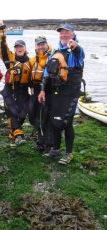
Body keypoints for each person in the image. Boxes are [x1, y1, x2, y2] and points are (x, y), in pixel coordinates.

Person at [38, 23, 85, 165]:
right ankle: (56, 149)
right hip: (55, 92)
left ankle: (68, 153)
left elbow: (79, 54)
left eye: (67, 32)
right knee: (53, 120)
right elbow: (46, 73)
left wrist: (75, 47)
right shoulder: (55, 52)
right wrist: (42, 90)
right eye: (62, 33)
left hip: (70, 92)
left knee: (67, 122)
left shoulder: (77, 50)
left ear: (73, 33)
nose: (64, 35)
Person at [0, 20, 31, 145]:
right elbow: (3, 47)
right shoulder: (10, 59)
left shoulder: (30, 62)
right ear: (15, 49)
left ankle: (13, 133)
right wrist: (1, 31)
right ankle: (18, 134)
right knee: (13, 112)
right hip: (10, 90)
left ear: (25, 49)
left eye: (21, 47)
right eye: (17, 47)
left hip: (23, 91)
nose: (19, 49)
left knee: (22, 114)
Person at [29, 36, 53, 153]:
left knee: (46, 118)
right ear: (35, 46)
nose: (40, 47)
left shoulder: (53, 57)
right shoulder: (33, 60)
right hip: (36, 90)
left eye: (43, 44)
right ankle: (40, 141)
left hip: (49, 90)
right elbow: (28, 75)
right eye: (38, 44)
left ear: (47, 44)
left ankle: (48, 144)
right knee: (35, 116)